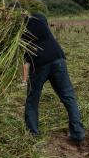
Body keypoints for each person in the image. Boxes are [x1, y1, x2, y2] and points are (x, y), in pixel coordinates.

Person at [23, 13, 85, 146]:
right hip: (57, 58)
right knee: (69, 97)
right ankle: (78, 134)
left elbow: (24, 59)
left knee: (32, 100)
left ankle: (32, 134)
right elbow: (44, 21)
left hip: (39, 63)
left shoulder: (17, 29)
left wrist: (23, 79)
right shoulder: (38, 17)